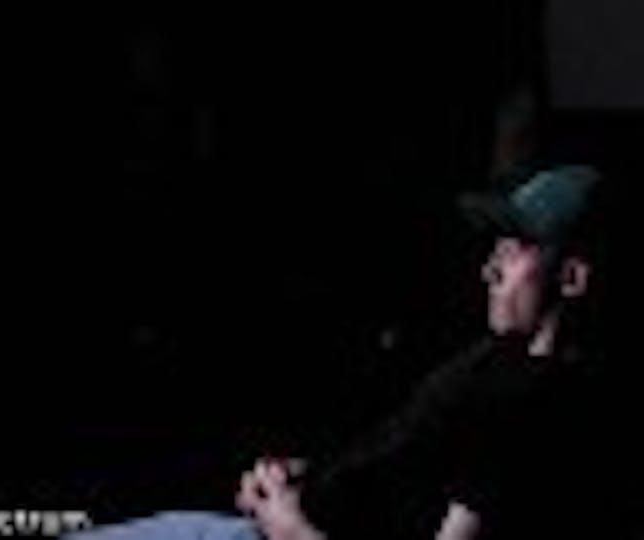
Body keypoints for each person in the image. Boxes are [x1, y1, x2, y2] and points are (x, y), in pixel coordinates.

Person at [67, 164, 617, 539]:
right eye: (494, 250)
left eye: (515, 251)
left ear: (572, 278)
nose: (489, 271)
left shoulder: (528, 413)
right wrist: (307, 479)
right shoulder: (494, 362)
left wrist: (289, 526)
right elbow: (402, 464)